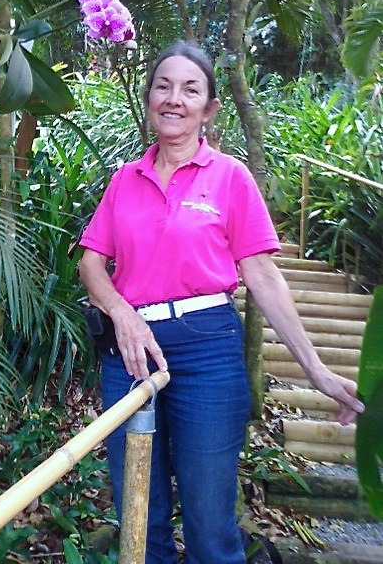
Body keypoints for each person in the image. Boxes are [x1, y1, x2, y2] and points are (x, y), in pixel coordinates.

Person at [78, 40, 364, 564]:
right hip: (129, 352)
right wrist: (121, 313)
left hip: (207, 348)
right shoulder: (125, 180)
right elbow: (92, 263)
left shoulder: (230, 177)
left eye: (190, 89)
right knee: (140, 519)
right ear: (148, 99)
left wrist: (318, 372)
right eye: (163, 86)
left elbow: (262, 275)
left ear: (209, 109)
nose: (174, 98)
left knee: (210, 525)